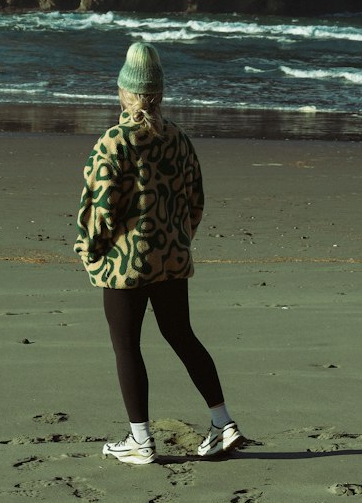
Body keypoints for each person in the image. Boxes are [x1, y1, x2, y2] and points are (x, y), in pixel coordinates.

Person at [74, 40, 244, 465]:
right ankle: (222, 422)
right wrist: (177, 240)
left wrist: (89, 251)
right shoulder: (180, 140)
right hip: (171, 258)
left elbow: (100, 208)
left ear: (123, 92)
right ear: (159, 94)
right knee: (182, 336)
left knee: (127, 345)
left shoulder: (113, 143)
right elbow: (195, 202)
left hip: (126, 264)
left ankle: (140, 440)